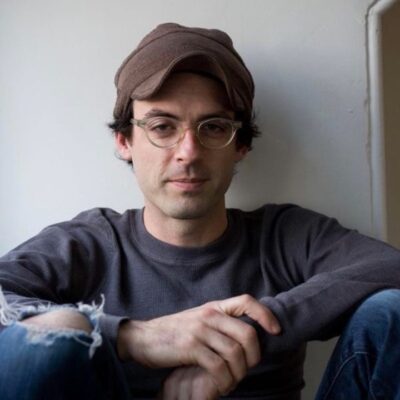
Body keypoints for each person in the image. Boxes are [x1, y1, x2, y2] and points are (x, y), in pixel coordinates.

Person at [0, 22, 400, 400]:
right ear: (124, 141)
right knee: (49, 337)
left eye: (213, 127)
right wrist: (132, 337)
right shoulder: (87, 245)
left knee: (391, 312)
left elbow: (389, 267)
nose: (188, 153)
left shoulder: (283, 236)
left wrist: (244, 334)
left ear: (240, 145)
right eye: (162, 127)